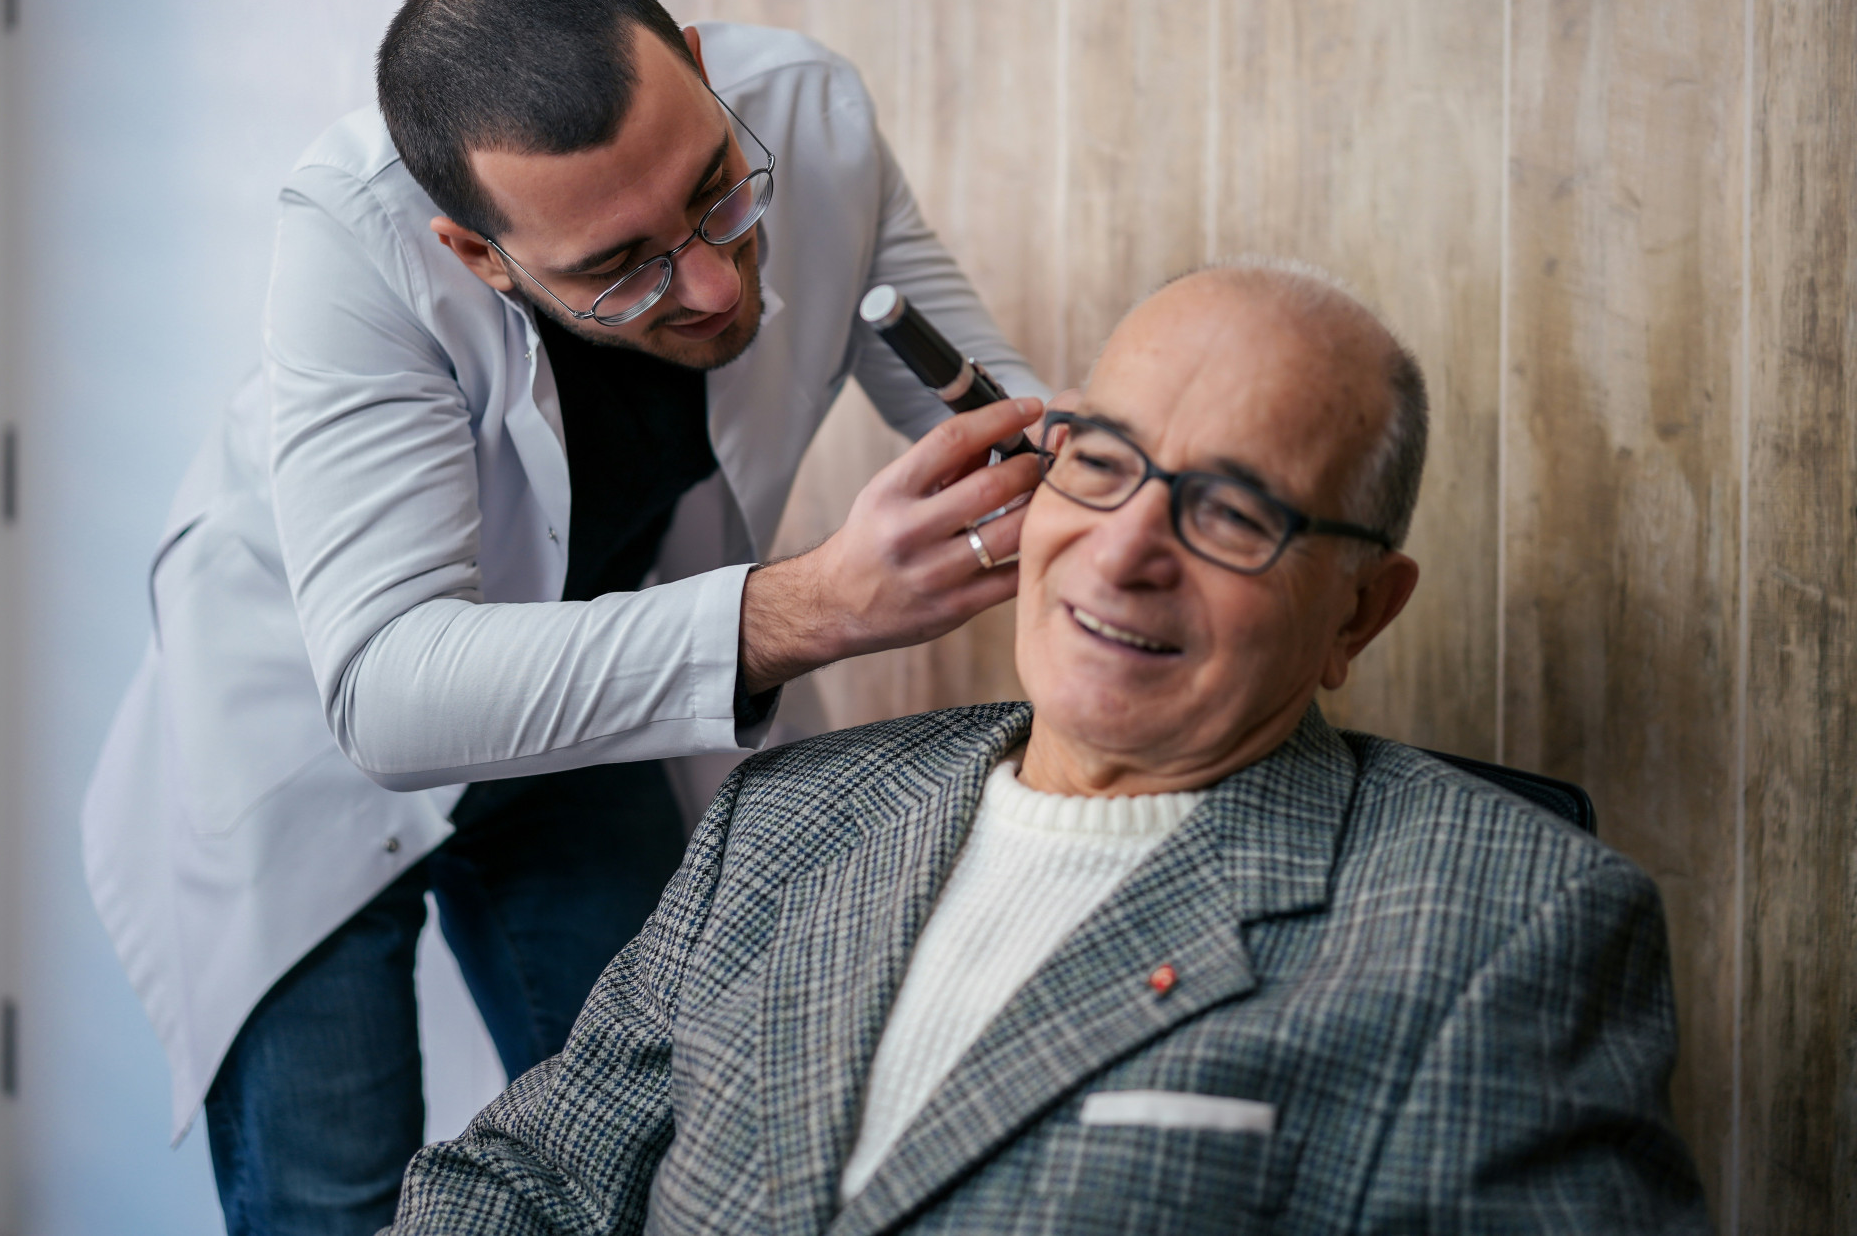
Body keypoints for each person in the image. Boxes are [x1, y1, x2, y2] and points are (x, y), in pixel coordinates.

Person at [390, 261, 1710, 1234]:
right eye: (1101, 462)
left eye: (1232, 512)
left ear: (1357, 613)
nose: (1124, 551)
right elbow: (527, 1184)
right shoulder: (788, 814)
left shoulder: (1505, 920)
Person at [81, 0, 1049, 1234]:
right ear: (476, 255)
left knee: (645, 1151)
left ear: (698, 70)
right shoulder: (354, 238)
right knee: (336, 1198)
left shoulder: (808, 112)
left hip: (579, 708)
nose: (714, 282)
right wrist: (815, 605)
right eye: (620, 265)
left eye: (717, 193)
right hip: (303, 738)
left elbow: (996, 410)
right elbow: (390, 692)